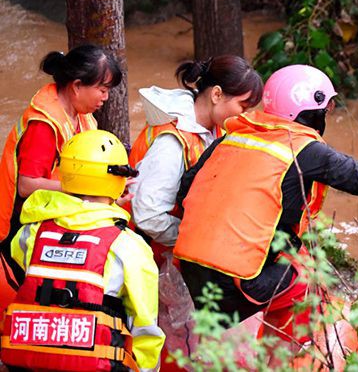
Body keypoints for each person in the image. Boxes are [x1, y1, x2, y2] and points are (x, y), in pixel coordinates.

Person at [173, 64, 358, 348]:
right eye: (325, 110)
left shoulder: (233, 136)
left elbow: (185, 191)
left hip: (190, 270)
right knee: (308, 285)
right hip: (238, 284)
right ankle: (277, 365)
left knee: (294, 258)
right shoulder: (306, 150)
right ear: (311, 112)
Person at [0, 130, 164, 371]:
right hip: (97, 363)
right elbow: (145, 326)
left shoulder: (32, 232)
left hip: (30, 361)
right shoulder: (129, 246)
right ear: (118, 181)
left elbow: (25, 263)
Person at [0, 45, 122, 312]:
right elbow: (26, 185)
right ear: (77, 86)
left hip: (55, 213)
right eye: (102, 89)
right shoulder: (44, 124)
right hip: (18, 227)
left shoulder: (83, 116)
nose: (106, 97)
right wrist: (88, 189)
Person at [129, 55, 263, 261]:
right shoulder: (171, 142)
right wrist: (202, 240)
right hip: (147, 254)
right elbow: (148, 216)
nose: (244, 116)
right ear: (217, 94)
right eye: (242, 107)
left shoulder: (215, 129)